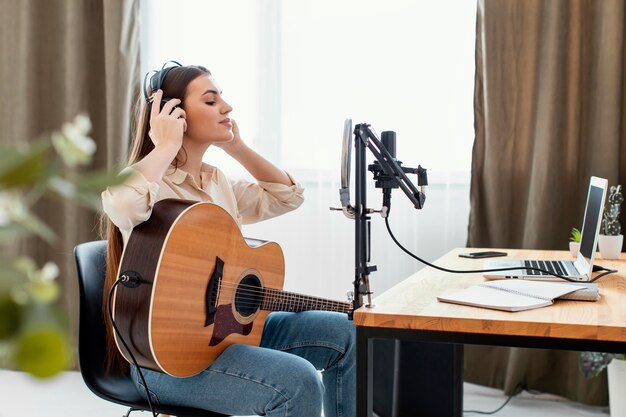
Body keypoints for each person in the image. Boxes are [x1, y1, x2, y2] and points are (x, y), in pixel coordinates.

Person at [100, 63, 355, 417]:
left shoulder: (217, 182)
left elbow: (288, 196)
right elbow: (123, 204)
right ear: (175, 115)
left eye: (222, 97)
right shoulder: (151, 182)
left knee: (347, 333)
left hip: (227, 337)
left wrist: (237, 148)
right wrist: (165, 146)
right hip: (166, 362)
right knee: (298, 381)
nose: (227, 107)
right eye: (210, 100)